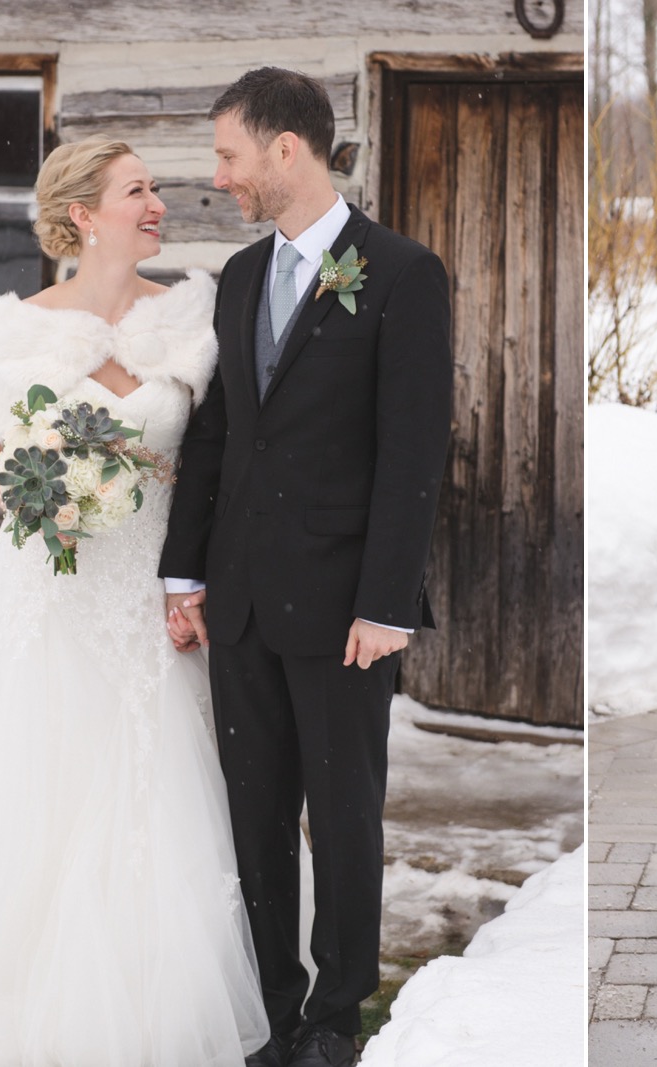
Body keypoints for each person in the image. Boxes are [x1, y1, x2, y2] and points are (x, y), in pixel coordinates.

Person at [0, 137, 269, 1064]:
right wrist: (51, 504)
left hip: (152, 584)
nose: (159, 202)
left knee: (155, 787)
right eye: (138, 190)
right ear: (83, 213)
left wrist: (192, 573)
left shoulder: (195, 310)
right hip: (52, 584)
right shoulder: (18, 326)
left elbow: (213, 458)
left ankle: (152, 1010)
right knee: (31, 784)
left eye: (155, 187)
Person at [158, 68, 452, 1067]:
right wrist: (182, 572)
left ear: (288, 149)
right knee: (256, 818)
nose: (220, 176)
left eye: (228, 155)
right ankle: (274, 1010)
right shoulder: (238, 277)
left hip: (341, 609)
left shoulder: (404, 273)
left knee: (341, 813)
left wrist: (384, 601)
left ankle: (334, 1014)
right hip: (238, 600)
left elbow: (415, 450)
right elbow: (219, 434)